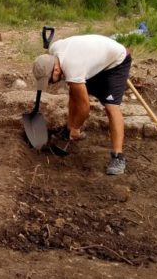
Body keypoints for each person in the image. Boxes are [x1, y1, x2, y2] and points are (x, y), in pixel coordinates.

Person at [32, 34, 132, 175]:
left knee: (111, 107)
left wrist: (77, 127)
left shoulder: (72, 68)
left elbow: (85, 108)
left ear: (56, 70)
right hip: (96, 58)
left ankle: (118, 156)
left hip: (116, 61)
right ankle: (69, 131)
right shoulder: (54, 50)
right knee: (74, 91)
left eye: (49, 79)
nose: (49, 83)